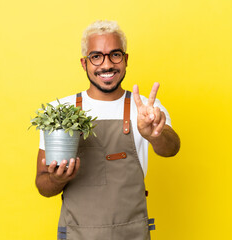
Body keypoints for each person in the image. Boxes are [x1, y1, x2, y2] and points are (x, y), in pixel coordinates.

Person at [35, 20, 180, 240]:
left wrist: (155, 134)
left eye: (115, 54)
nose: (106, 65)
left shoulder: (147, 109)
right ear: (84, 63)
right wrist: (57, 179)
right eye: (96, 56)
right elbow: (42, 184)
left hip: (133, 234)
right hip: (77, 234)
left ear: (126, 59)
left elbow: (171, 148)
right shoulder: (59, 113)